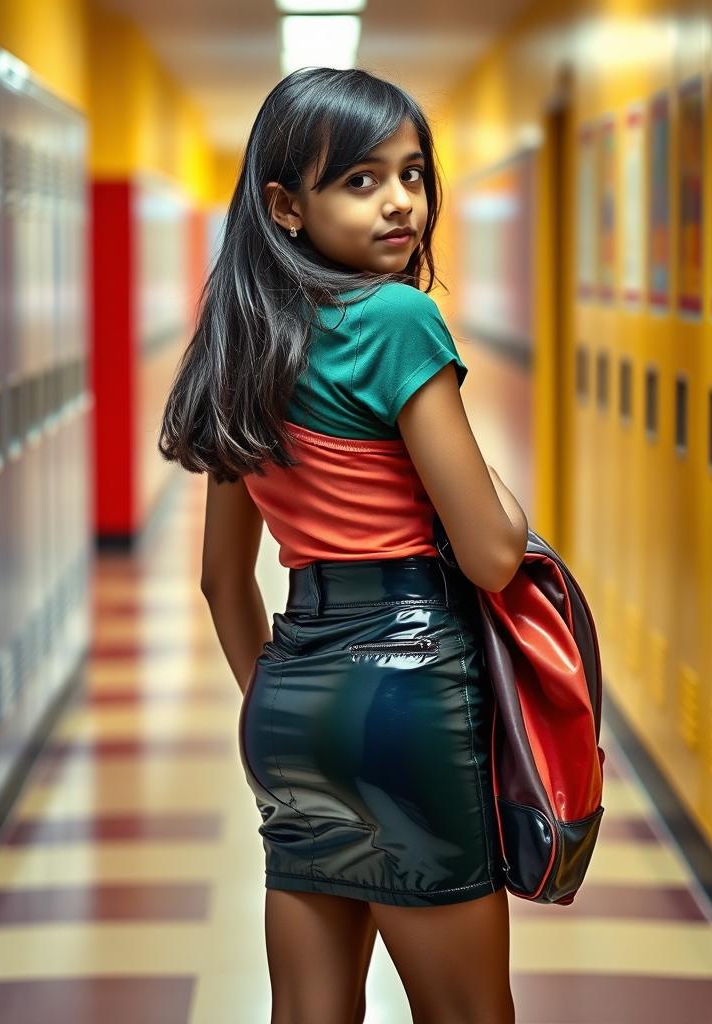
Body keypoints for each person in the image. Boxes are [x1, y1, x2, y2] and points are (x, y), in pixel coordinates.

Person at [158, 66, 528, 1024]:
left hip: (290, 703)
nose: (400, 201)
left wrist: (293, 709)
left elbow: (220, 581)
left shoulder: (243, 337)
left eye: (411, 174)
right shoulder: (400, 319)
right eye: (360, 180)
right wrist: (506, 498)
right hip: (409, 697)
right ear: (285, 204)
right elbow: (491, 554)